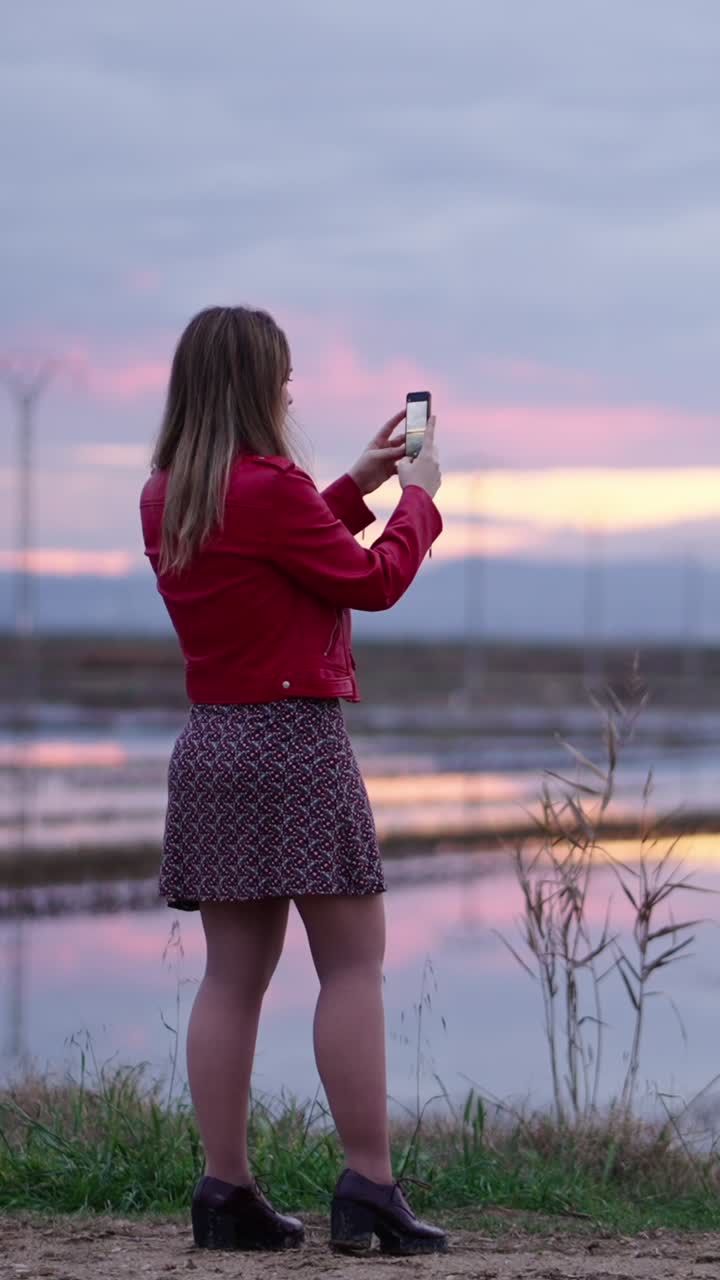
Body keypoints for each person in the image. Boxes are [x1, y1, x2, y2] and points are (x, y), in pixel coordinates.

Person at [139, 305, 446, 1257]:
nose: (290, 390)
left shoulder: (167, 495)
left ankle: (224, 1194)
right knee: (351, 964)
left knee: (232, 979)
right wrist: (418, 503)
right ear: (255, 387)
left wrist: (355, 481)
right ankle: (370, 1189)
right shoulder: (269, 487)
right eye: (282, 376)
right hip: (295, 744)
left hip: (213, 744)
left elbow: (280, 553)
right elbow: (366, 581)